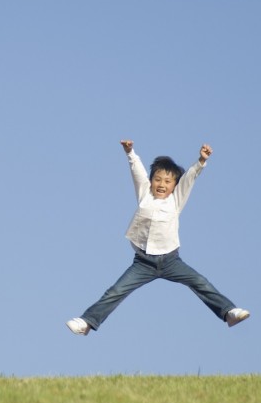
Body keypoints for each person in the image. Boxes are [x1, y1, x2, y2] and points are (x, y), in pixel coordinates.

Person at [66, 140, 250, 336]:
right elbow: (137, 172)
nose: (162, 184)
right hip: (143, 263)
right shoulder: (145, 194)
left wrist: (201, 161)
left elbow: (189, 178)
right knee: (116, 291)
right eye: (158, 179)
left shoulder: (176, 200)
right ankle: (87, 322)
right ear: (151, 180)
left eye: (167, 181)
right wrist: (130, 152)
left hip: (171, 260)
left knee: (200, 282)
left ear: (174, 186)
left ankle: (228, 312)